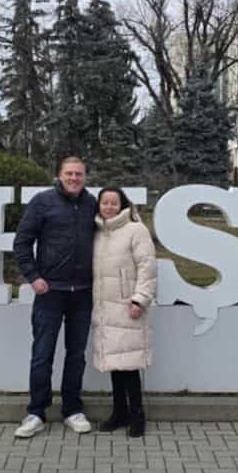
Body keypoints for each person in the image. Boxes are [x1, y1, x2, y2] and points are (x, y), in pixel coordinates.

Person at [12, 156, 97, 438]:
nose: (74, 178)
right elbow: (22, 242)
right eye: (69, 173)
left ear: (86, 177)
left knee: (76, 356)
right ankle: (36, 412)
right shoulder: (43, 202)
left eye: (79, 174)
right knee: (42, 354)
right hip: (50, 292)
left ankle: (72, 410)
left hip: (83, 293)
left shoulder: (92, 205)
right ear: (59, 175)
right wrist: (33, 276)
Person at [91, 186, 156, 438]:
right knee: (114, 365)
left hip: (128, 307)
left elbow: (147, 267)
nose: (108, 207)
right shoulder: (98, 232)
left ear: (122, 204)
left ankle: (137, 415)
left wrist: (140, 299)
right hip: (104, 308)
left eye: (113, 203)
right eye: (104, 202)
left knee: (128, 366)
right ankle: (119, 413)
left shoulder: (135, 230)